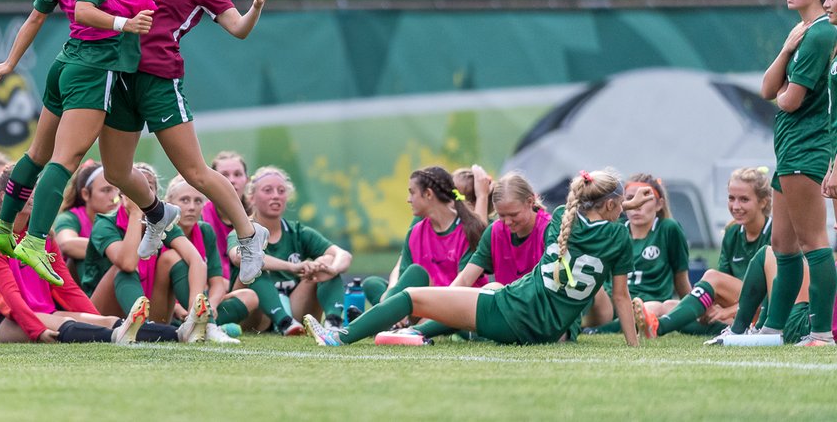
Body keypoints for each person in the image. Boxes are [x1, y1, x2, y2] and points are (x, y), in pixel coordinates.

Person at [0, 0, 181, 288]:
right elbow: (89, 11)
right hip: (94, 67)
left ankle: (3, 228)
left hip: (64, 65)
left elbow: (36, 19)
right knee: (65, 159)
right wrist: (126, 24)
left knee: (37, 154)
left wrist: (9, 63)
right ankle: (35, 240)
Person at [96, 0, 273, 285]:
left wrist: (255, 7)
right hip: (122, 77)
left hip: (160, 80)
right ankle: (158, 212)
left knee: (194, 172)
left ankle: (249, 234)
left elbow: (238, 29)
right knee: (114, 171)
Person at [304, 169, 648, 347]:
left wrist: (620, 205)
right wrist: (632, 349)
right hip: (545, 327)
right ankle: (416, 333)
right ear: (614, 206)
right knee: (488, 289)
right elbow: (621, 296)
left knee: (410, 296)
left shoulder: (560, 218)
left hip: (514, 310)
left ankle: (340, 337)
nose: (506, 223)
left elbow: (588, 213)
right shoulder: (619, 238)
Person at [0, 165, 182, 345]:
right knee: (69, 324)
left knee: (106, 321)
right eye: (25, 189)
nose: (33, 195)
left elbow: (65, 286)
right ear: (4, 196)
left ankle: (180, 334)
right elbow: (7, 297)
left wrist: (96, 320)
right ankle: (118, 337)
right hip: (1, 320)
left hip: (45, 312)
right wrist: (36, 330)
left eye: (36, 188)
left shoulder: (41, 235)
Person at [758, 0, 837, 346]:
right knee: (782, 245)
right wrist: (786, 49)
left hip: (807, 146)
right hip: (788, 147)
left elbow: (787, 100)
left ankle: (821, 332)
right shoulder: (802, 31)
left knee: (813, 241)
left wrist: (783, 91)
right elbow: (767, 88)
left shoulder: (822, 32)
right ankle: (772, 330)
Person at [80, 164, 212, 342]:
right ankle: (147, 329)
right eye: (133, 185)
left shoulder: (163, 219)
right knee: (122, 268)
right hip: (101, 313)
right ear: (122, 194)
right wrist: (135, 213)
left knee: (172, 258)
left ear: (155, 195)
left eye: (147, 187)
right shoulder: (105, 222)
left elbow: (197, 260)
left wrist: (193, 311)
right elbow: (127, 263)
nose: (139, 191)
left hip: (149, 307)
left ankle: (198, 325)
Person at [636, 167, 772, 338]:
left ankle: (659, 327)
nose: (736, 206)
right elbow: (721, 285)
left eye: (744, 199)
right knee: (666, 306)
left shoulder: (776, 233)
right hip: (738, 310)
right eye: (731, 198)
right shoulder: (732, 232)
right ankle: (647, 322)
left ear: (763, 202)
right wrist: (716, 308)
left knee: (711, 278)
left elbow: (773, 294)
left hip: (764, 311)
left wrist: (727, 311)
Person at [361, 166, 487, 327]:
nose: (408, 199)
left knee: (414, 281)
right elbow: (402, 277)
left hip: (454, 307)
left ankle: (387, 322)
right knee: (374, 284)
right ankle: (394, 320)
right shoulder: (416, 231)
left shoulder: (469, 229)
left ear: (428, 194)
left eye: (412, 192)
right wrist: (393, 301)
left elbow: (462, 286)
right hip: (420, 303)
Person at [233, 166, 352, 333]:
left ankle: (333, 322)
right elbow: (239, 258)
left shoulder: (298, 232)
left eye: (281, 191)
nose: (276, 195)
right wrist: (292, 266)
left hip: (294, 309)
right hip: (255, 317)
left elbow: (343, 254)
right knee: (253, 266)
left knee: (326, 261)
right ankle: (283, 322)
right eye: (268, 190)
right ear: (251, 197)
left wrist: (331, 269)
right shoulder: (242, 231)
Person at [586, 174, 689, 333]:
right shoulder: (615, 228)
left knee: (652, 307)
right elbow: (586, 219)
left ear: (659, 204)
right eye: (630, 198)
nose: (637, 205)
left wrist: (691, 307)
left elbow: (681, 278)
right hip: (611, 303)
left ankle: (602, 330)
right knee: (587, 281)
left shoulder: (669, 228)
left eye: (645, 199)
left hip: (646, 304)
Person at [166, 175, 257, 343]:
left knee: (249, 296)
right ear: (169, 202)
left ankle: (202, 323)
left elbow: (218, 282)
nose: (192, 207)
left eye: (198, 201)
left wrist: (211, 306)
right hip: (168, 308)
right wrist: (177, 308)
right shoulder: (162, 230)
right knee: (175, 258)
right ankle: (209, 327)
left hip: (200, 303)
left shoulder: (205, 231)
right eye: (184, 200)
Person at [51, 160, 120, 284]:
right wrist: (113, 250)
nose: (114, 197)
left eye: (117, 190)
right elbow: (66, 244)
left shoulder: (121, 218)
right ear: (86, 194)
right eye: (106, 190)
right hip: (71, 291)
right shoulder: (70, 217)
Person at [203, 151, 253, 280]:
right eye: (224, 175)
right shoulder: (201, 213)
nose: (231, 180)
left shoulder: (257, 213)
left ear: (247, 180)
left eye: (237, 174)